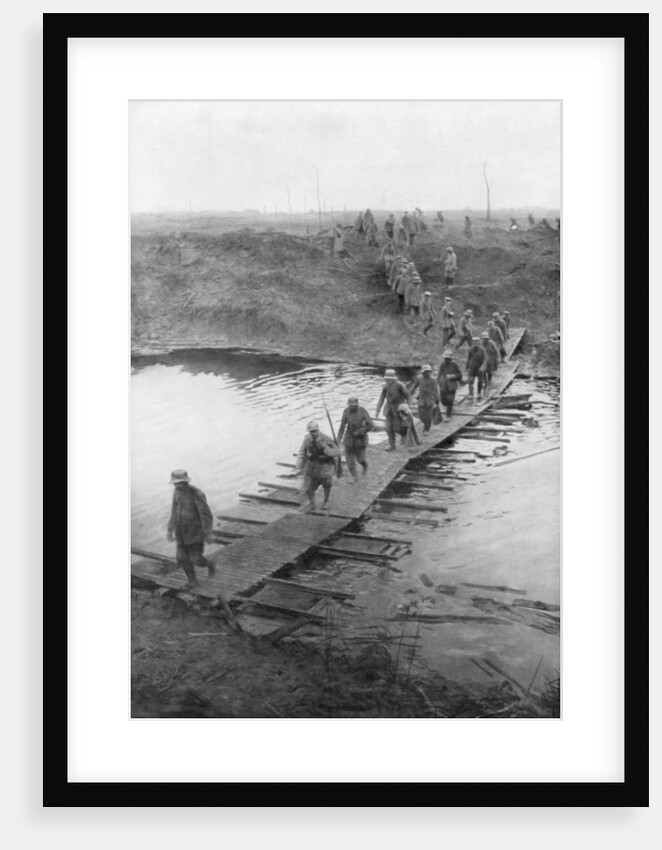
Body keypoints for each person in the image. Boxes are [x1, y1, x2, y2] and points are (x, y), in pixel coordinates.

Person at [166, 469, 215, 590]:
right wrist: (170, 530)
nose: (177, 486)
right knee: (181, 558)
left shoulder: (196, 493)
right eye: (175, 483)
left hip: (195, 532)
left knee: (196, 559)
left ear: (186, 482)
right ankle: (192, 581)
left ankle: (210, 563)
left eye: (180, 483)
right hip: (181, 533)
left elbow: (206, 514)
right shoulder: (176, 492)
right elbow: (174, 511)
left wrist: (208, 533)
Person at [296, 420, 339, 511]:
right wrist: (299, 463)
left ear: (318, 430)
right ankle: (312, 504)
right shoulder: (307, 439)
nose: (313, 433)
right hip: (312, 467)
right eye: (311, 431)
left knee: (327, 485)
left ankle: (326, 501)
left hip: (324, 467)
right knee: (308, 487)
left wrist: (325, 450)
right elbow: (302, 451)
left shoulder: (326, 439)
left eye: (314, 431)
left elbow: (335, 452)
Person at [337, 396, 374, 482]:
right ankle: (354, 476)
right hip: (349, 438)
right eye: (351, 406)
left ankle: (364, 465)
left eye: (354, 406)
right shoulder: (346, 411)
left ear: (357, 405)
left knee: (360, 459)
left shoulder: (363, 411)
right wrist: (339, 437)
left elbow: (371, 425)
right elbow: (342, 425)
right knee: (349, 460)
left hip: (360, 439)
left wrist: (360, 432)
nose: (352, 407)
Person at [375, 369, 410, 451]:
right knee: (388, 428)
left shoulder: (400, 385)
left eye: (390, 379)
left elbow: (408, 396)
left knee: (398, 427)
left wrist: (407, 406)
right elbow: (382, 398)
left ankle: (404, 435)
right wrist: (377, 410)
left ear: (394, 379)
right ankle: (392, 445)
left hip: (399, 409)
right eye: (387, 379)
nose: (388, 381)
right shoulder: (385, 386)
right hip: (388, 409)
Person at [409, 364, 441, 433]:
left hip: (430, 400)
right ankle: (426, 423)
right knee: (421, 416)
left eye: (428, 372)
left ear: (430, 372)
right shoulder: (419, 378)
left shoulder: (433, 380)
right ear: (423, 372)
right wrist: (409, 394)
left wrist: (437, 400)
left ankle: (426, 429)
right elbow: (414, 386)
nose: (427, 373)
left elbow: (436, 390)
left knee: (428, 416)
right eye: (425, 372)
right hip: (421, 399)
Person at [437, 350, 463, 417]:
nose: (446, 360)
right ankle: (448, 408)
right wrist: (437, 382)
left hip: (452, 385)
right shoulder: (442, 364)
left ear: (450, 359)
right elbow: (439, 374)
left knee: (450, 400)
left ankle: (448, 414)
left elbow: (460, 375)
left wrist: (453, 376)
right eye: (445, 358)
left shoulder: (455, 364)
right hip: (443, 385)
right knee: (443, 401)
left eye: (448, 359)